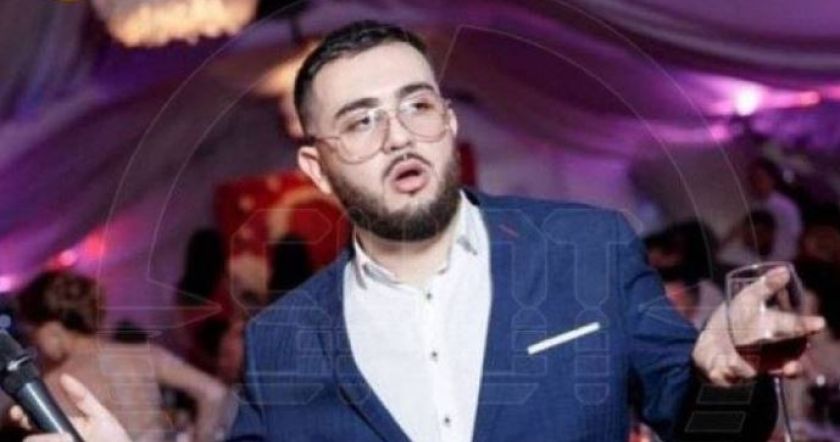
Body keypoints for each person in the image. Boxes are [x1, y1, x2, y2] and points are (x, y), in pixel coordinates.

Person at [18, 20, 826, 442]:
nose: (399, 133)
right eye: (361, 120)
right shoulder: (282, 341)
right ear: (317, 169)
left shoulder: (586, 249)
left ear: (447, 122)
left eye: (416, 104)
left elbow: (710, 430)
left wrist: (728, 376)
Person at [13, 271, 229, 442]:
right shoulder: (142, 354)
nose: (35, 343)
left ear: (52, 330)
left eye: (33, 334)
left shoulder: (57, 384)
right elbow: (214, 392)